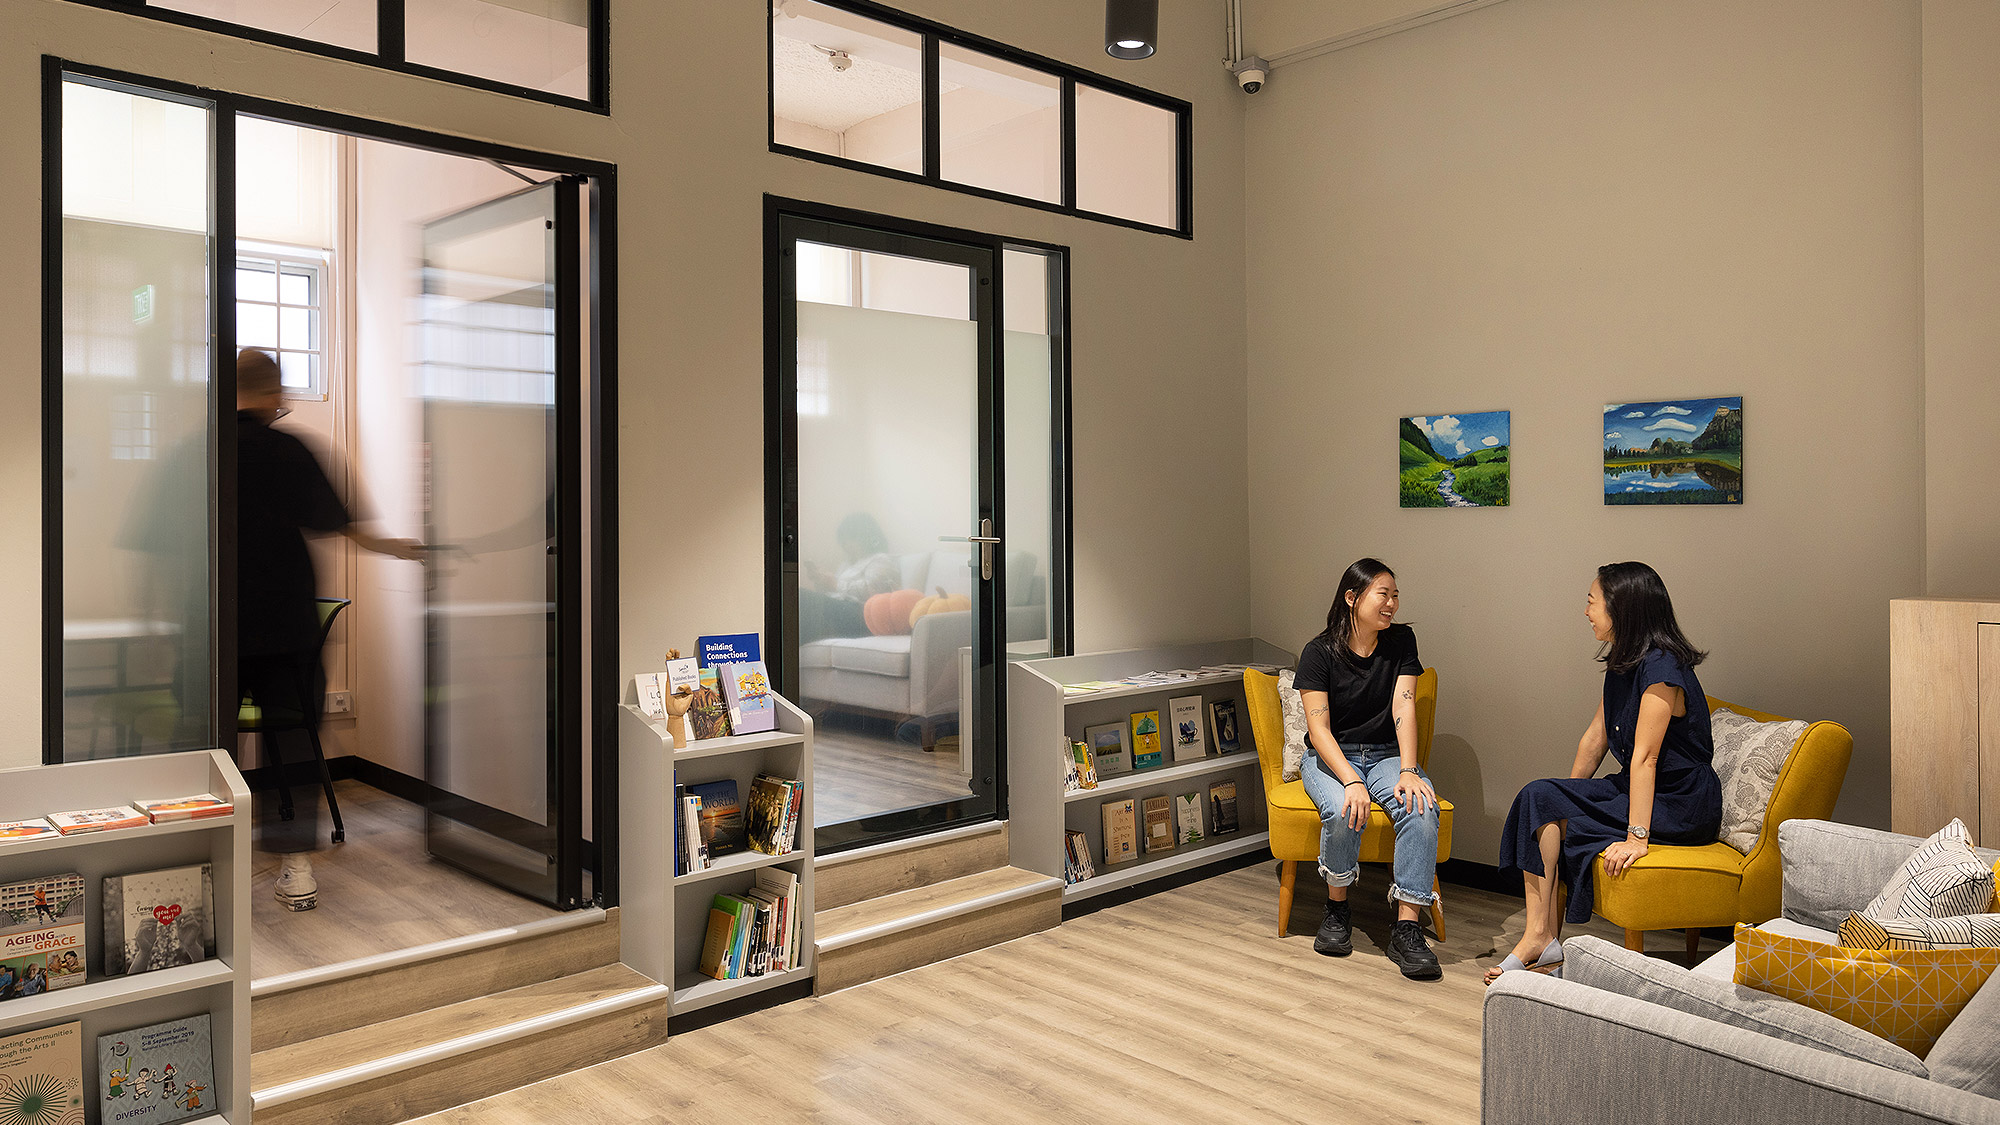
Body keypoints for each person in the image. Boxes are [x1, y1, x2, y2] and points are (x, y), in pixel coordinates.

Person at [235, 348, 424, 911]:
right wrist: (396, 548)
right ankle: (294, 867)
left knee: (206, 750)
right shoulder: (287, 448)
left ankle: (200, 865)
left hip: (215, 630)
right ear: (273, 394)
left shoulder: (202, 449)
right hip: (287, 628)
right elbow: (340, 522)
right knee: (292, 740)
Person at [1489, 561, 1722, 983]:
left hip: (1682, 801)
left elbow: (1646, 758)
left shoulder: (1662, 669)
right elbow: (1595, 738)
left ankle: (1541, 945)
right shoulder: (1624, 661)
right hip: (1641, 786)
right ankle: (1541, 938)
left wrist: (1637, 838)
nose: (1586, 611)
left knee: (1551, 807)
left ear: (1623, 608)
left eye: (1592, 601)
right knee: (1541, 801)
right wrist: (1568, 797)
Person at [1294, 558, 1443, 981]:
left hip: (1385, 753)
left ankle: (1408, 928)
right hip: (1331, 755)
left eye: (1395, 595)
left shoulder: (1401, 642)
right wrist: (1352, 780)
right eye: (1384, 594)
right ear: (1351, 597)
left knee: (1420, 807)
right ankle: (1337, 910)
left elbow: (1404, 707)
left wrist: (1410, 770)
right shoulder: (1318, 652)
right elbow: (1319, 731)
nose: (1392, 603)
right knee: (1343, 807)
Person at [798, 512, 899, 642]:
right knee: (800, 598)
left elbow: (873, 591)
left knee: (802, 597)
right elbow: (835, 594)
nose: (846, 545)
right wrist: (822, 582)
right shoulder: (846, 566)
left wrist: (835, 584)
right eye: (843, 541)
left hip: (863, 615)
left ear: (864, 536)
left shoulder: (880, 560)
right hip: (843, 610)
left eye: (849, 539)